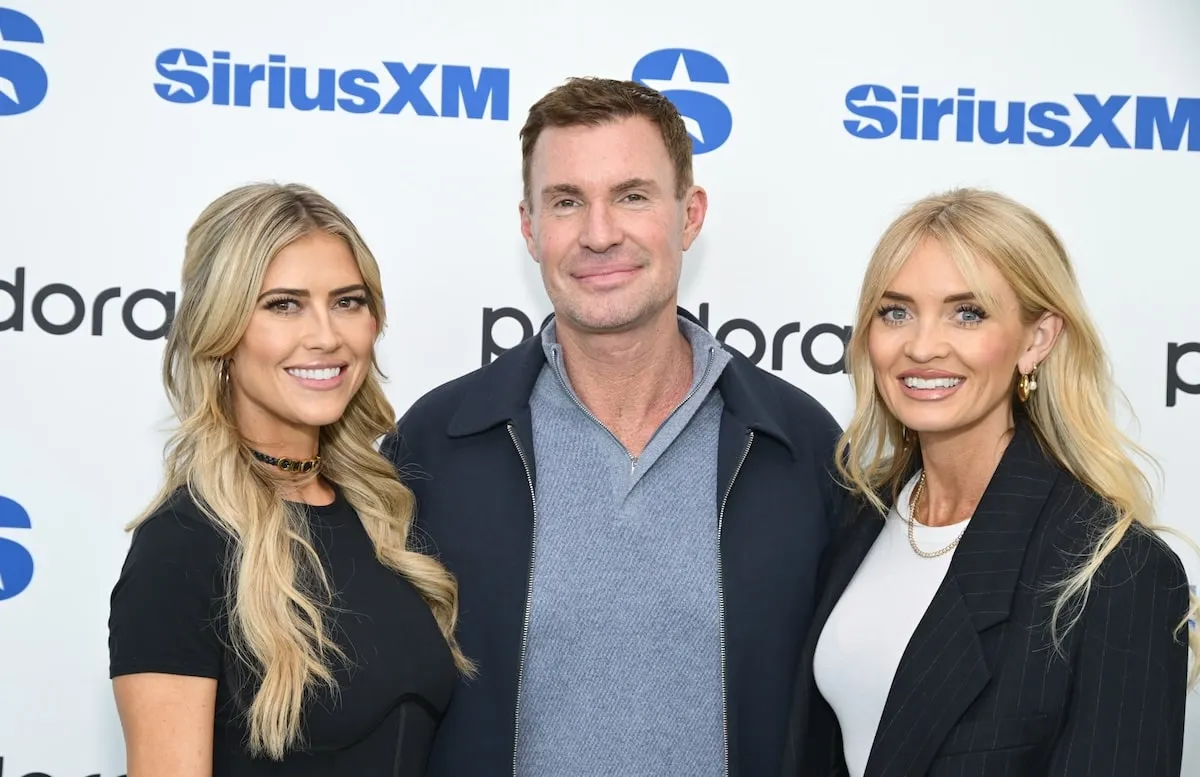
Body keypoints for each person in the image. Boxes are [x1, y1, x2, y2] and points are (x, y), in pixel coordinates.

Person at [379, 77, 845, 777]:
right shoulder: (438, 444)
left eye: (632, 195)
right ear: (530, 228)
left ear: (689, 216)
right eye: (567, 201)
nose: (600, 234)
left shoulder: (799, 446)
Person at [781, 187, 1200, 777]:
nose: (922, 347)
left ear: (1037, 339)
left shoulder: (1116, 572)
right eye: (895, 311)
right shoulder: (855, 517)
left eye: (968, 312)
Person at [107, 182, 473, 777]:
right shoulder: (182, 547)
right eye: (284, 304)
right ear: (221, 332)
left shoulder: (385, 517)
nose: (326, 335)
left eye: (348, 301)